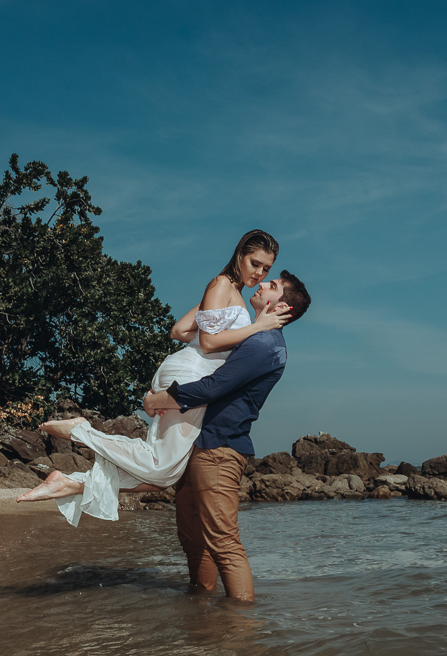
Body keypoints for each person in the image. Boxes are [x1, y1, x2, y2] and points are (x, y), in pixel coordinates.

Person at [16, 230, 290, 526]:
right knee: (162, 467)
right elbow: (210, 343)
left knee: (166, 474)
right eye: (255, 263)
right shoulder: (222, 285)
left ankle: (72, 483)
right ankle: (82, 431)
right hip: (191, 374)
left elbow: (179, 331)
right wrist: (257, 328)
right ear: (240, 255)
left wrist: (235, 328)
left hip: (186, 371)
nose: (259, 273)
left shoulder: (228, 292)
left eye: (266, 269)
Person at [143, 269, 311, 601]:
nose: (262, 283)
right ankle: (202, 615)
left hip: (220, 449)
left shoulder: (266, 344)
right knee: (193, 539)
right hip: (199, 444)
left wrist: (156, 401)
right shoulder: (252, 335)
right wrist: (227, 282)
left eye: (273, 285)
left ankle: (241, 634)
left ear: (282, 308)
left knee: (223, 542)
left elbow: (213, 387)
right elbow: (183, 331)